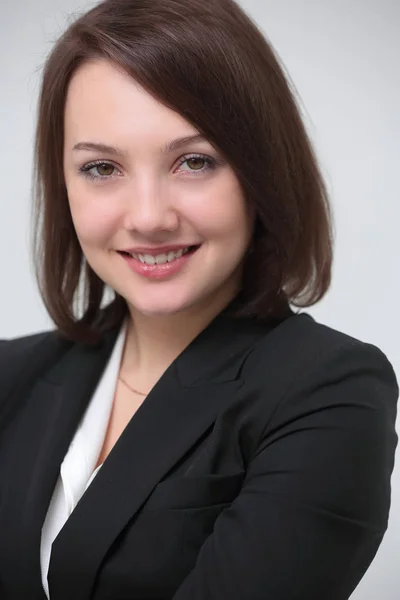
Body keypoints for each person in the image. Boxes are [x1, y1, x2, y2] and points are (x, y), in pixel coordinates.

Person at [0, 0, 398, 598]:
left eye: (194, 161)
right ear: (64, 185)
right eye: (103, 168)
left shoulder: (329, 391)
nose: (150, 217)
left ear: (259, 172)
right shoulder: (12, 375)